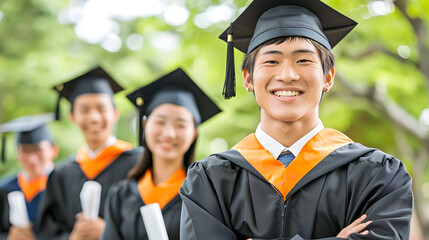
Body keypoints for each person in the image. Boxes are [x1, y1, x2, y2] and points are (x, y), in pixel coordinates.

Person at [179, 0, 413, 239]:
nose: (287, 75)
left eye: (303, 60)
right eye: (271, 61)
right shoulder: (210, 180)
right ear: (248, 78)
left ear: (328, 77)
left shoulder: (377, 175)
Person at [101, 68, 221, 240]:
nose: (169, 133)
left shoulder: (205, 197)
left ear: (193, 134)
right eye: (160, 122)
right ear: (144, 125)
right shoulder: (121, 194)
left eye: (180, 125)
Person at [37, 66, 142, 240]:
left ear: (115, 113)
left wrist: (109, 233)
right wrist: (72, 238)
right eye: (84, 110)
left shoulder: (137, 164)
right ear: (72, 116)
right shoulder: (61, 174)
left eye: (101, 109)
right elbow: (47, 232)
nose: (94, 118)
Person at [0, 113, 58, 240]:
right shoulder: (5, 188)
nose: (32, 158)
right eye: (24, 150)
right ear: (17, 153)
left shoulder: (63, 185)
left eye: (38, 149)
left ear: (53, 150)